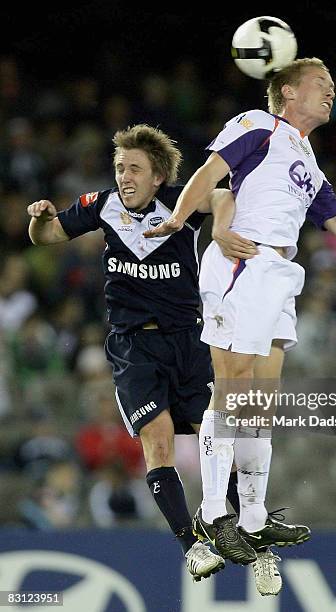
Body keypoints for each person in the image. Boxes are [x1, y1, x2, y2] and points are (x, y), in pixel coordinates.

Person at [145, 58, 336, 596]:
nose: (332, 94)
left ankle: (255, 518)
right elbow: (212, 173)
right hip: (243, 262)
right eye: (321, 86)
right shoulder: (258, 126)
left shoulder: (307, 158)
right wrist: (178, 219)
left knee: (261, 402)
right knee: (233, 390)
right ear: (287, 92)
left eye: (333, 88)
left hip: (281, 273)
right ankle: (216, 514)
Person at [26, 123, 257, 582]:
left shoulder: (181, 203)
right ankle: (191, 546)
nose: (124, 177)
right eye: (119, 168)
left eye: (134, 168)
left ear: (158, 178)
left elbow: (222, 195)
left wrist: (223, 226)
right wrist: (39, 217)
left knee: (220, 442)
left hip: (188, 342)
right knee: (158, 440)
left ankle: (255, 527)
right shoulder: (103, 206)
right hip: (133, 345)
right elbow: (47, 236)